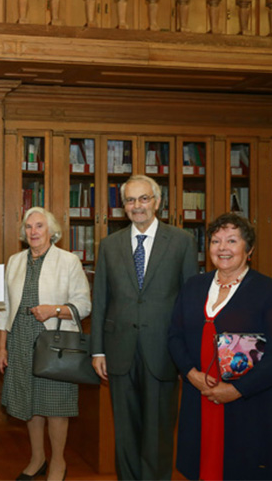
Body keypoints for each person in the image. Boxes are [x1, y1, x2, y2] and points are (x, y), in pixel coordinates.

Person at [168, 213, 272, 481]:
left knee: (243, 468)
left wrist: (236, 390)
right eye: (215, 241)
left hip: (249, 401)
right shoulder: (193, 286)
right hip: (199, 395)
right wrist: (192, 375)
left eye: (232, 240)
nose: (222, 247)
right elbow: (174, 336)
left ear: (249, 250)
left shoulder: (269, 291)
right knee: (200, 464)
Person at [90, 174, 198, 480]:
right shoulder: (109, 245)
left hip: (164, 351)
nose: (137, 206)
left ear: (158, 202)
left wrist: (186, 357)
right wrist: (97, 350)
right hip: (119, 351)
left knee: (159, 431)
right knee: (124, 432)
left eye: (144, 198)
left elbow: (189, 304)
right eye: (130, 200)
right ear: (122, 206)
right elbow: (101, 300)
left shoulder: (182, 242)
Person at [0, 207, 91, 481]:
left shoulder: (68, 260)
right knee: (29, 403)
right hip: (20, 338)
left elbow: (84, 305)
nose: (33, 232)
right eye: (29, 227)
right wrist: (2, 347)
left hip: (53, 342)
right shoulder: (14, 261)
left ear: (51, 231)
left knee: (55, 405)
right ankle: (38, 459)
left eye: (39, 226)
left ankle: (58, 462)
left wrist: (54, 310)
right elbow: (4, 307)